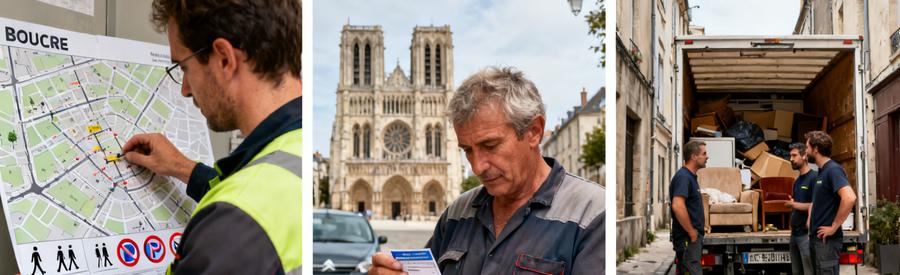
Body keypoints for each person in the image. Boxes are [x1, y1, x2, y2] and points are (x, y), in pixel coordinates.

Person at [368, 67, 605, 274]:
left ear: (534, 131)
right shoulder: (456, 214)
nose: (476, 166)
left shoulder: (592, 214)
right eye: (467, 150)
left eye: (489, 146)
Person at [122, 0, 301, 274]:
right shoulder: (295, 144)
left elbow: (245, 208)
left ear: (224, 60)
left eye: (183, 67)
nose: (184, 89)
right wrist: (183, 168)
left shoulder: (231, 226)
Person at [805, 131, 856, 275]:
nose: (806, 151)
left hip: (827, 242)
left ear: (815, 149)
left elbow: (850, 198)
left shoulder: (833, 170)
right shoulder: (821, 172)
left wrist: (834, 227)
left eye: (807, 147)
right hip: (818, 240)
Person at [670, 140, 707, 275]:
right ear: (693, 156)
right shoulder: (683, 177)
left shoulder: (690, 177)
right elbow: (678, 206)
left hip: (690, 240)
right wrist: (692, 232)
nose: (707, 156)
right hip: (687, 240)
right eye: (704, 153)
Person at [785, 143, 815, 275]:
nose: (791, 159)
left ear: (804, 156)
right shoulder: (797, 181)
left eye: (794, 155)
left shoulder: (814, 178)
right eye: (790, 155)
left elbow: (815, 205)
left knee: (808, 272)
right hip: (795, 235)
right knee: (796, 272)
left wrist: (793, 204)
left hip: (805, 235)